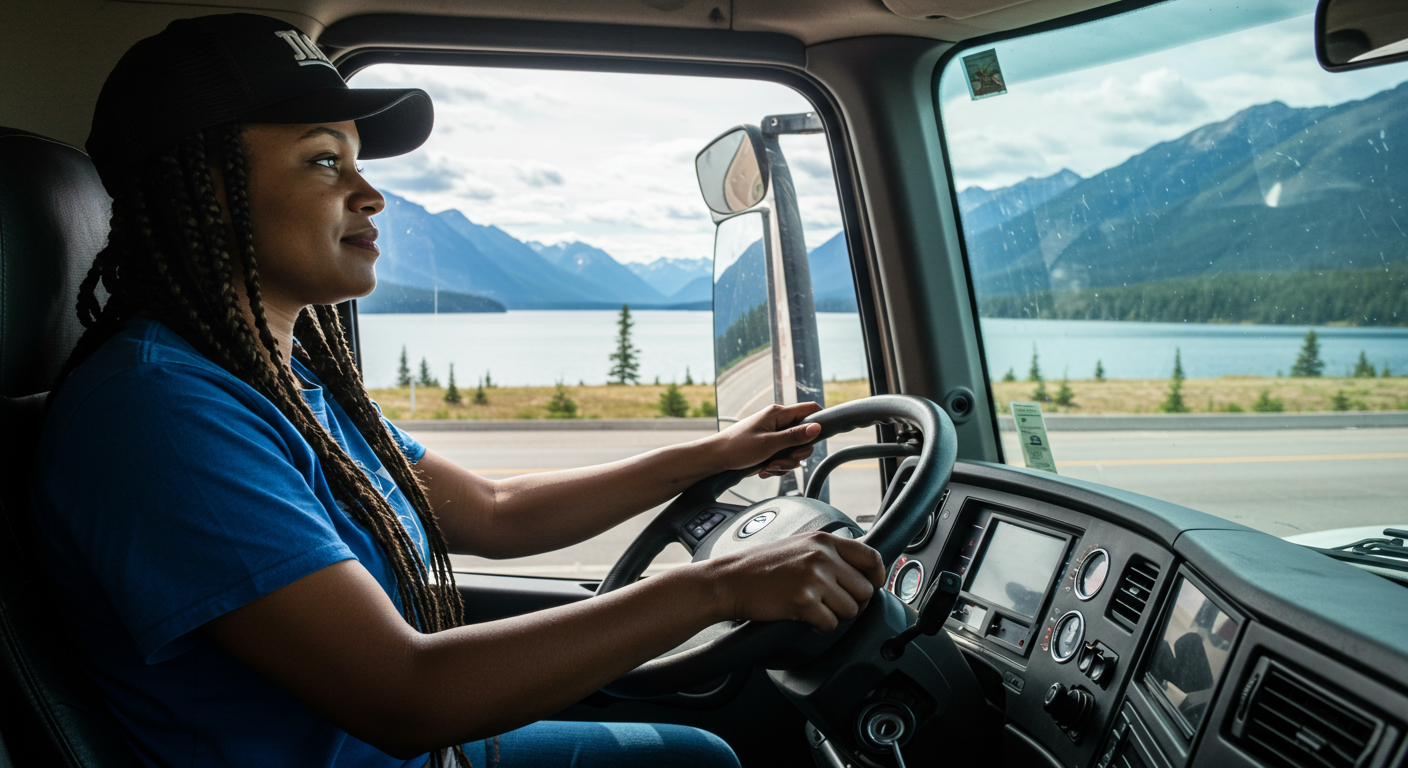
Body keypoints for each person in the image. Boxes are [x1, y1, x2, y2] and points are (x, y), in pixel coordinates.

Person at [32, 13, 886, 768]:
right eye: (325, 162)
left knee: (698, 751)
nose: (371, 193)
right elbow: (405, 695)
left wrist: (715, 453)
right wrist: (718, 587)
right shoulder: (160, 415)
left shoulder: (273, 380)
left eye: (358, 161)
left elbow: (494, 508)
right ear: (208, 194)